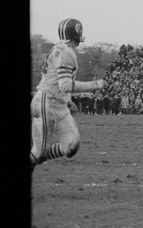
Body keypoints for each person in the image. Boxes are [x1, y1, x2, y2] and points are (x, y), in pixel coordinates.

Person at [31, 18, 107, 170]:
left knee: (72, 144)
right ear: (76, 33)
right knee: (38, 153)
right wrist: (95, 85)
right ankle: (38, 157)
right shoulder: (65, 52)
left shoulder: (62, 50)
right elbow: (65, 85)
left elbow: (61, 83)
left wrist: (67, 100)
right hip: (47, 101)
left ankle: (42, 156)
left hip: (57, 102)